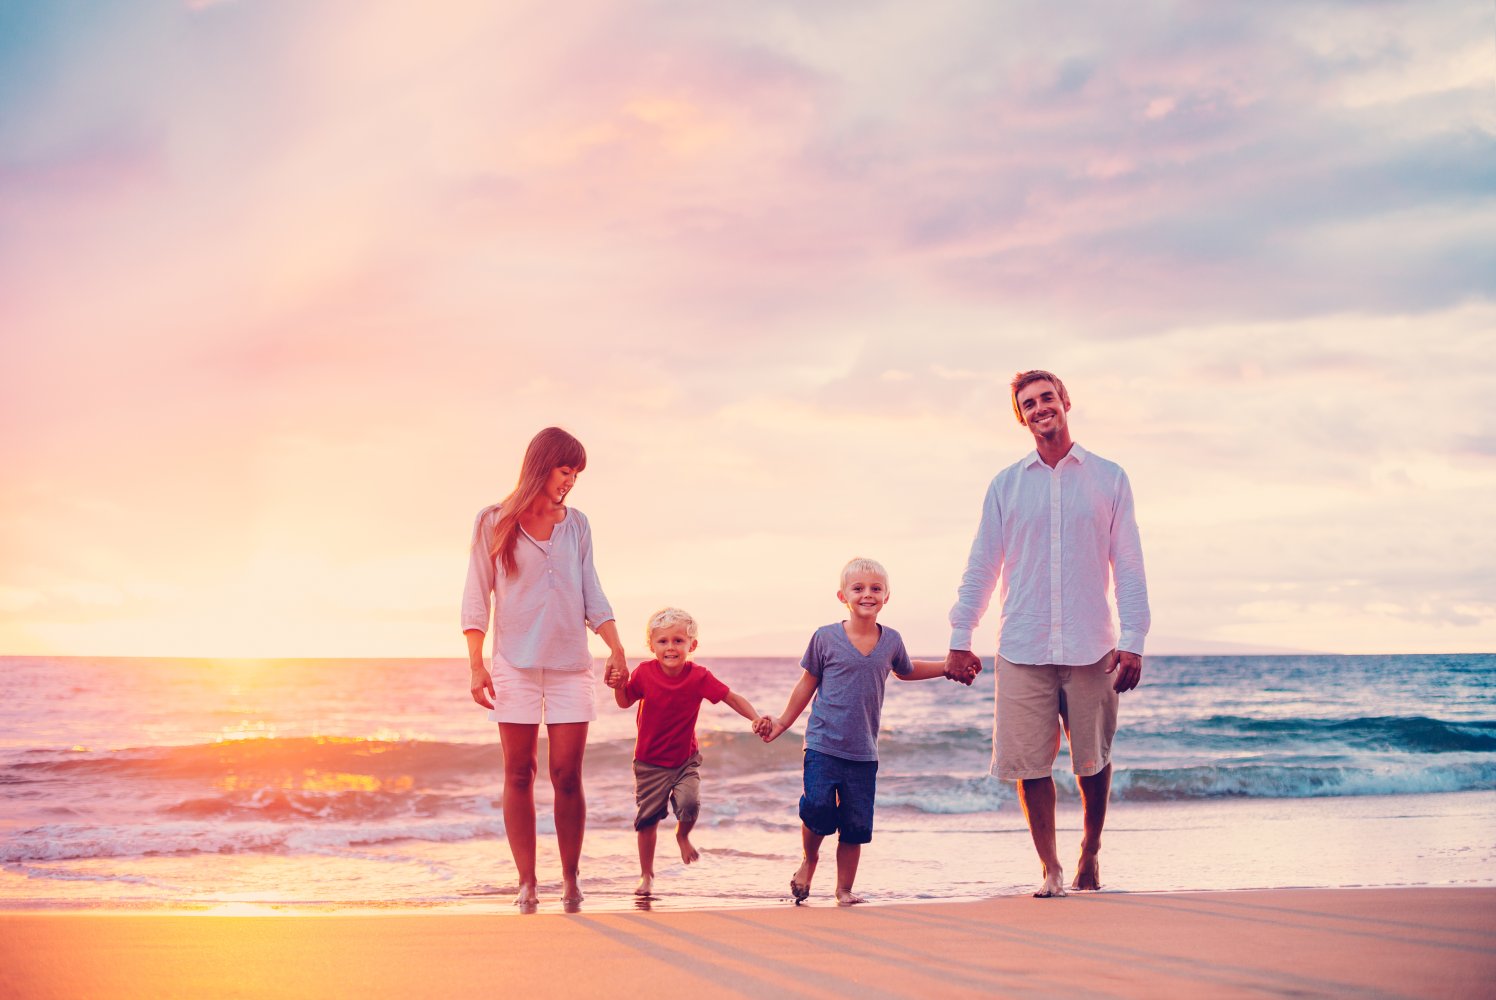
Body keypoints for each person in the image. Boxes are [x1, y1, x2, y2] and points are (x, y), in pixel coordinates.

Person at [945, 370, 1149, 898]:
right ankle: (1051, 867)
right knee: (1028, 763)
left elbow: (1128, 565)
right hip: (1022, 645)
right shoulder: (1005, 485)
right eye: (1029, 403)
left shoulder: (1109, 478)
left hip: (1092, 646)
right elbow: (982, 565)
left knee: (1093, 760)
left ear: (1065, 402)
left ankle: (1090, 851)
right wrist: (961, 633)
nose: (1040, 408)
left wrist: (1135, 638)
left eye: (1047, 398)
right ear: (1021, 416)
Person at [462, 426, 628, 909]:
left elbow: (591, 590)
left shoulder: (577, 524)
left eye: (576, 473)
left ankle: (571, 881)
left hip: (570, 666)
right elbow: (477, 595)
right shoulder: (492, 521)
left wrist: (615, 647)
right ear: (542, 464)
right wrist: (477, 665)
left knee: (567, 775)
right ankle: (527, 882)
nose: (571, 481)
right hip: (513, 664)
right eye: (565, 470)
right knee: (518, 772)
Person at [763, 557, 967, 905]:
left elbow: (907, 669)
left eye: (875, 589)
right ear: (842, 595)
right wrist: (783, 722)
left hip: (863, 752)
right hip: (822, 744)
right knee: (817, 808)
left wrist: (947, 668)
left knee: (855, 826)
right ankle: (809, 861)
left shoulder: (891, 641)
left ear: (887, 596)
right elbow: (806, 684)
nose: (867, 595)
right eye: (858, 588)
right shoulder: (825, 638)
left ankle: (844, 890)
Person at [604, 607, 772, 897]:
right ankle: (646, 875)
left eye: (678, 641)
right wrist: (619, 686)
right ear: (651, 646)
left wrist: (754, 718)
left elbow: (731, 697)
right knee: (647, 820)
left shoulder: (699, 676)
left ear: (691, 645)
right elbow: (624, 701)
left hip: (684, 760)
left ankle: (683, 836)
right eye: (663, 641)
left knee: (690, 804)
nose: (671, 647)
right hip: (648, 763)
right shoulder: (645, 673)